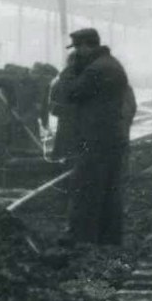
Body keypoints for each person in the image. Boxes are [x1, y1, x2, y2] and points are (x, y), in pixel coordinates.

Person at [54, 27, 132, 246]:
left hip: (95, 137)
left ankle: (82, 238)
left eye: (78, 48)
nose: (76, 52)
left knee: (86, 187)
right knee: (108, 189)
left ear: (87, 46)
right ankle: (108, 239)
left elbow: (69, 93)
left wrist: (70, 70)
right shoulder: (111, 64)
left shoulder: (96, 69)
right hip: (110, 134)